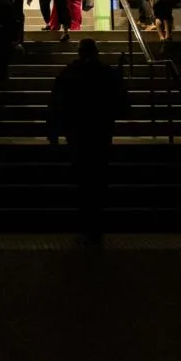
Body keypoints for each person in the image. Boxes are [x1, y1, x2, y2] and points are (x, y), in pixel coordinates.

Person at [47, 38, 131, 237]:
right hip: (100, 127)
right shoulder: (105, 73)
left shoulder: (69, 73)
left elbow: (57, 102)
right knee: (99, 169)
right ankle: (96, 213)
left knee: (81, 168)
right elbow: (119, 99)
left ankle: (84, 212)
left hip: (77, 128)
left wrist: (53, 130)